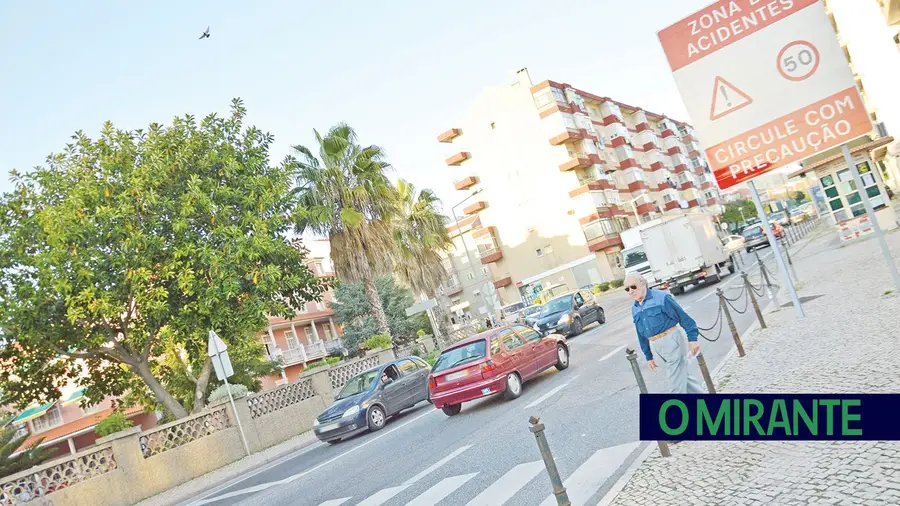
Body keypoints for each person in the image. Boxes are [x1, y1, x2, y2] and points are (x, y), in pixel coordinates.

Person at [626, 272, 705, 394]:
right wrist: (649, 356)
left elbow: (683, 318)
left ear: (643, 284)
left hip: (672, 341)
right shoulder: (635, 307)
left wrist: (693, 339)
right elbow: (640, 333)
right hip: (656, 346)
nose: (630, 291)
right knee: (683, 378)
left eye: (633, 287)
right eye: (627, 289)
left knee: (675, 385)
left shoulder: (661, 297)